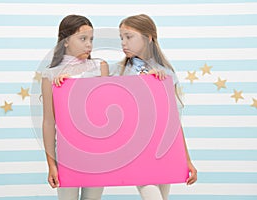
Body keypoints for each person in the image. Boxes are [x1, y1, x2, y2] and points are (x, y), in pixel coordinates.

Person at [112, 14, 197, 200]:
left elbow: (173, 121)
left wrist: (186, 160)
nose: (123, 43)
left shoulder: (166, 73)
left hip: (163, 148)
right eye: (121, 38)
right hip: (135, 148)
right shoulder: (118, 72)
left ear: (148, 37)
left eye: (129, 37)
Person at [41, 14, 109, 200]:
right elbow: (48, 122)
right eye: (83, 39)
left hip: (97, 152)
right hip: (66, 155)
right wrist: (51, 164)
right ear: (65, 41)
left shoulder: (99, 67)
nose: (89, 44)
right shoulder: (50, 75)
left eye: (91, 39)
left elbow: (106, 110)